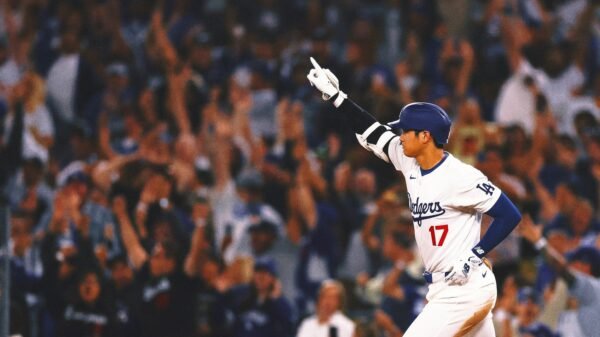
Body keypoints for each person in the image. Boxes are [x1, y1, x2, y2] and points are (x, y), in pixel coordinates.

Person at [306, 58, 522, 336]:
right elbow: (373, 133)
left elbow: (509, 214)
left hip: (464, 290)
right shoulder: (410, 162)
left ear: (425, 136)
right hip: (443, 288)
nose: (400, 136)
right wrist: (337, 97)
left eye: (406, 131)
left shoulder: (460, 176)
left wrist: (474, 254)